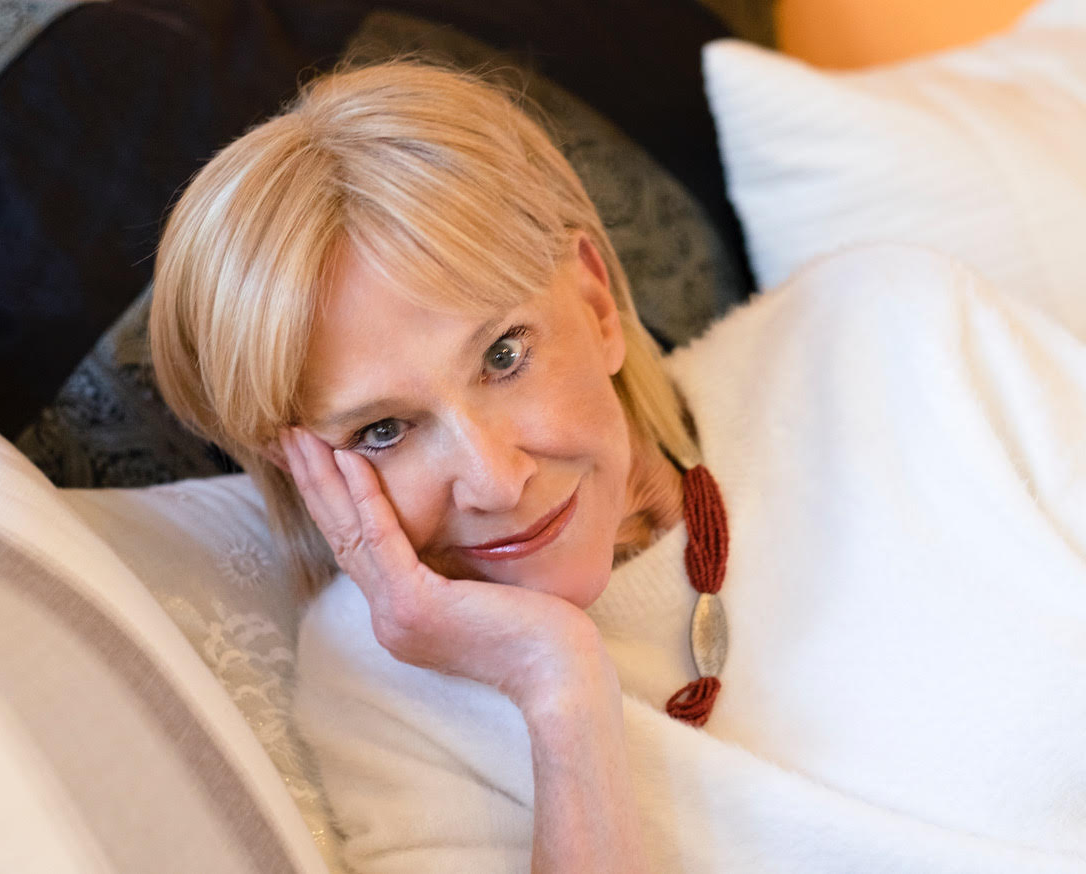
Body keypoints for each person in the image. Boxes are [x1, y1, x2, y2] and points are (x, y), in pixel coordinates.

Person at [149, 61, 1086, 873]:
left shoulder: (898, 335)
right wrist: (558, 691)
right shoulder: (383, 684)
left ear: (595, 301)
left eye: (505, 355)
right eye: (384, 431)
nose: (494, 478)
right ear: (305, 464)